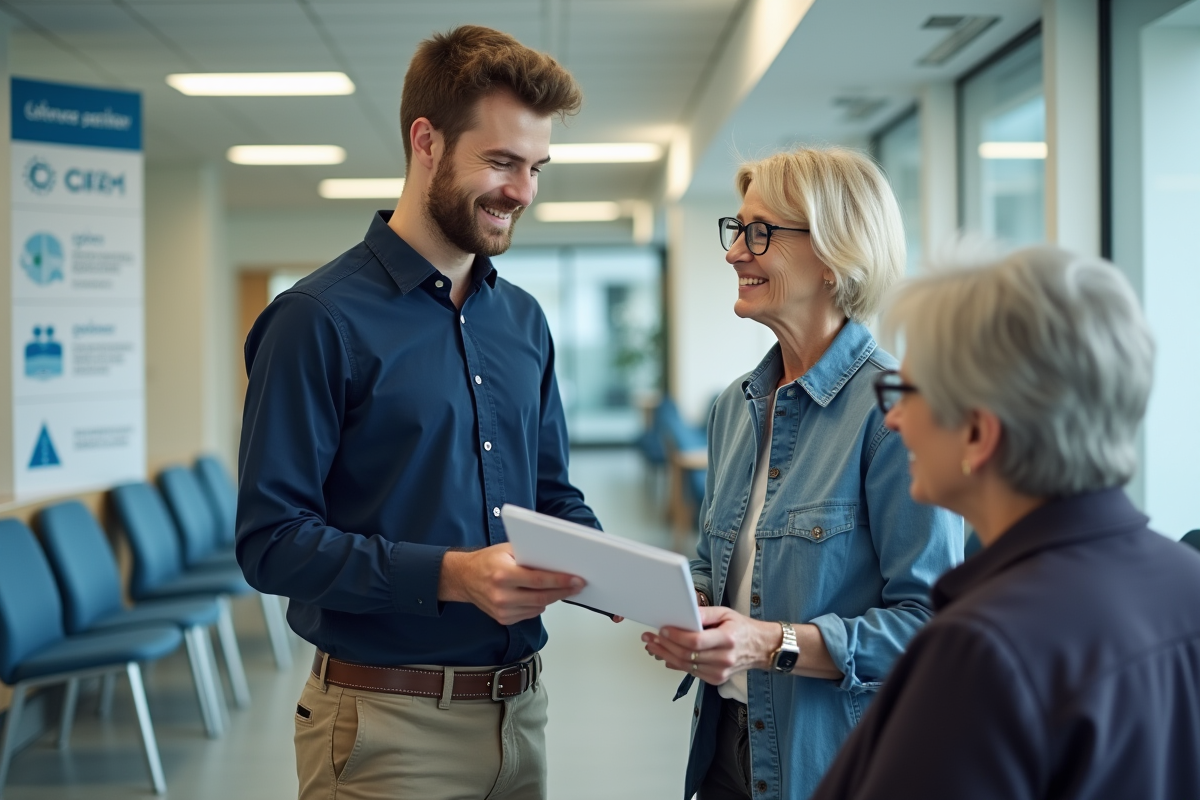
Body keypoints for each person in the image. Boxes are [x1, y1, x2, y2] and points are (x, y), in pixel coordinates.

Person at [236, 25, 598, 800]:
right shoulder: (316, 321)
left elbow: (553, 496)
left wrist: (629, 582)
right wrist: (452, 576)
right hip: (384, 727)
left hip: (522, 714)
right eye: (500, 162)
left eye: (535, 167)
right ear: (425, 141)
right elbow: (272, 544)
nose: (522, 191)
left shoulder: (523, 320)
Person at [810, 244, 1200, 800]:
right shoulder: (1188, 582)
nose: (893, 418)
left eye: (906, 392)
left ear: (977, 433)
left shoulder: (981, 649)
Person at [642, 147, 963, 800]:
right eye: (736, 230)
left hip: (835, 765)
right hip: (729, 750)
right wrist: (692, 610)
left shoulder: (897, 411)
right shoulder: (735, 407)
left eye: (759, 232)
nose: (735, 253)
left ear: (833, 255)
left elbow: (932, 627)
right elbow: (715, 566)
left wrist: (769, 643)